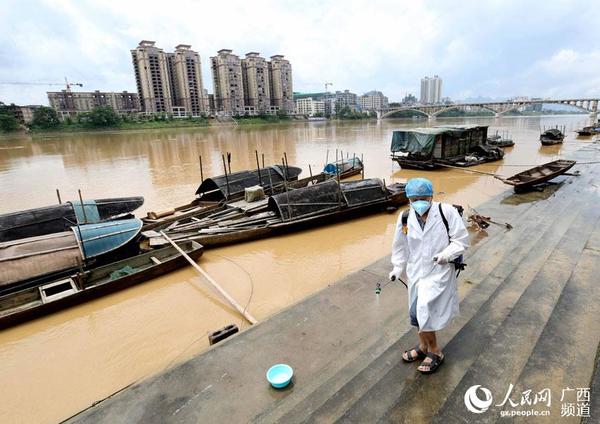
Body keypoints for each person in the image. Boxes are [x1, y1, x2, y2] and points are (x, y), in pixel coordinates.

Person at [389, 177, 469, 374]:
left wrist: (445, 255)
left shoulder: (446, 212)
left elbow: (461, 240)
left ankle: (435, 351)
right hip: (416, 272)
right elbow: (400, 247)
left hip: (439, 271)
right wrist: (397, 268)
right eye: (414, 199)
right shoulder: (405, 217)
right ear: (408, 199)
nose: (419, 203)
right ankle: (423, 346)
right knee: (416, 314)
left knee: (421, 311)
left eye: (423, 198)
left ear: (431, 196)